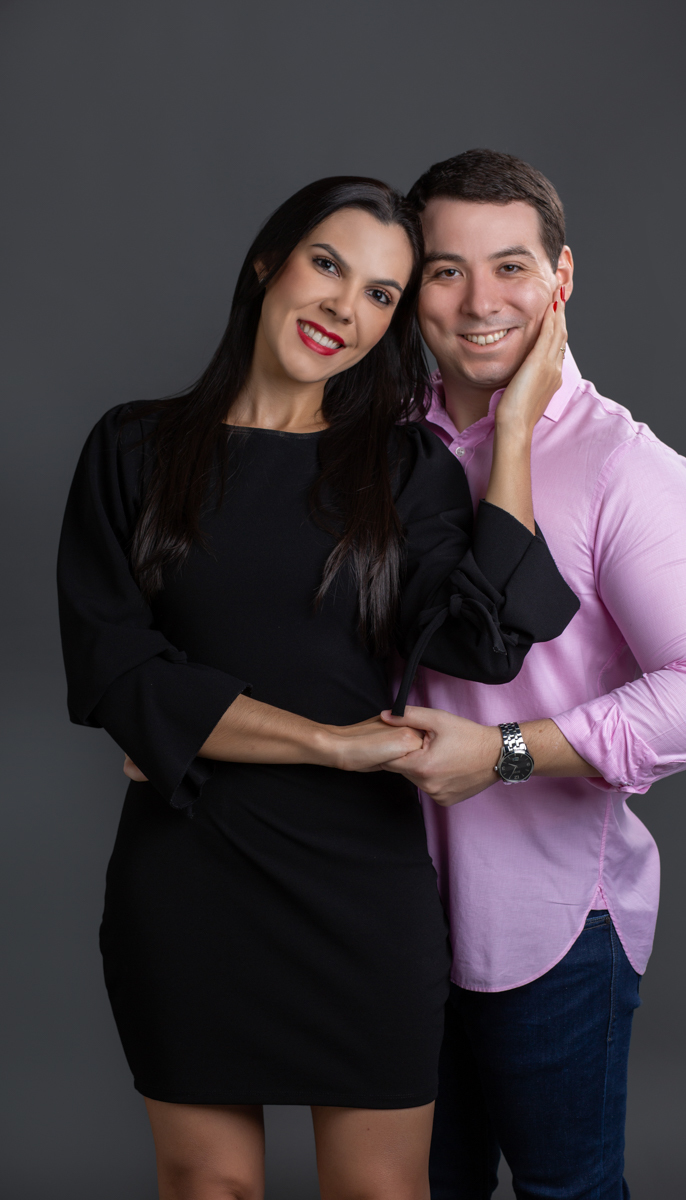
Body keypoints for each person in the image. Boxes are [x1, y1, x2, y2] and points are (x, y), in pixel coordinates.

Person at [56, 175, 579, 1200]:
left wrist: (513, 429)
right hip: (189, 877)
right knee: (208, 1185)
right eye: (328, 265)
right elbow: (118, 671)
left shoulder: (401, 467)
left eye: (381, 295)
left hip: (360, 888)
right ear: (269, 262)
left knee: (381, 1192)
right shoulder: (131, 448)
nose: (345, 307)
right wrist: (331, 744)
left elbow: (484, 639)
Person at [378, 150, 686, 1199]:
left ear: (562, 277)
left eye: (510, 266)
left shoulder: (626, 467)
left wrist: (505, 752)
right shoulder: (376, 445)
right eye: (445, 270)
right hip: (384, 909)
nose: (479, 302)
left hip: (549, 925)